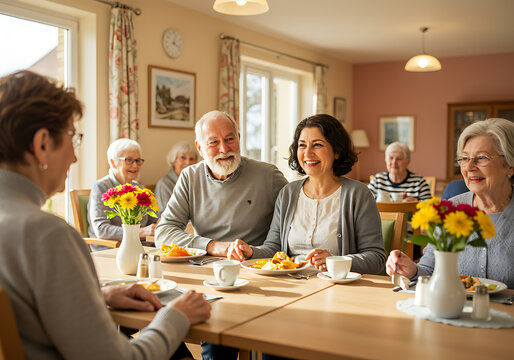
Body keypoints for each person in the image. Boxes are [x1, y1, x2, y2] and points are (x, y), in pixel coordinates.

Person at [0, 70, 211, 359]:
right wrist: (177, 315)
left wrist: (98, 297)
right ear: (42, 144)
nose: (75, 157)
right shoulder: (46, 235)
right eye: (73, 139)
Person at [155, 110, 288, 360]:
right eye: (213, 142)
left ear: (239, 137)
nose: (224, 148)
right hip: (203, 277)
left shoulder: (268, 176)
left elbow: (286, 235)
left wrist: (254, 252)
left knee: (217, 344)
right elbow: (164, 231)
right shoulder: (189, 177)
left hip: (256, 278)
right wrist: (213, 246)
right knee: (157, 319)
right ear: (200, 147)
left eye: (230, 139)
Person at [227, 114, 386, 275]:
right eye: (302, 145)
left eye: (317, 145)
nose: (307, 153)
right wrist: (251, 252)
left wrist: (335, 262)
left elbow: (377, 258)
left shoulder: (358, 195)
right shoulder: (288, 193)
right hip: (291, 286)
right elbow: (273, 249)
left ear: (337, 151)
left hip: (336, 288)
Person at [386, 118, 514, 289]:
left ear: (510, 165)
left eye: (481, 158)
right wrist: (412, 270)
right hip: (456, 310)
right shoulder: (449, 210)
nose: (469, 167)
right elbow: (430, 269)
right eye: (464, 158)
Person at [88, 138, 157, 250]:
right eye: (129, 160)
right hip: (112, 249)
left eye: (138, 160)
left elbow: (152, 219)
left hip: (142, 247)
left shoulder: (138, 187)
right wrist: (140, 232)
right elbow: (101, 229)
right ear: (113, 162)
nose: (135, 166)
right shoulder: (102, 187)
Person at [155, 141, 197, 213]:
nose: (188, 162)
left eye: (192, 159)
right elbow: (165, 214)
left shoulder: (198, 181)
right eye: (183, 158)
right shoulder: (164, 184)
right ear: (173, 161)